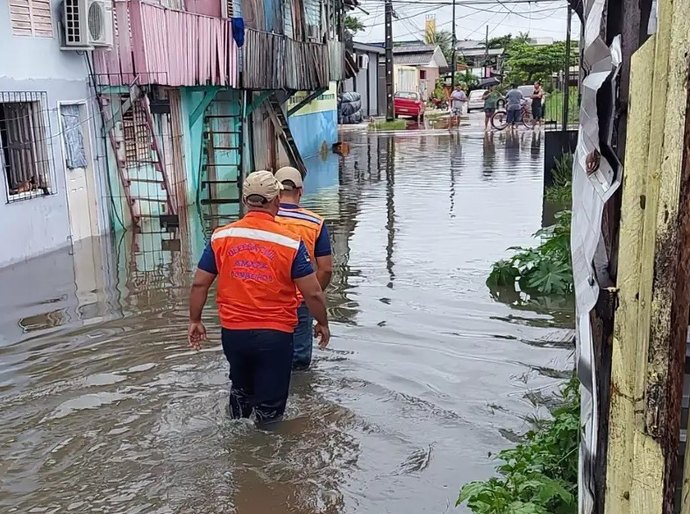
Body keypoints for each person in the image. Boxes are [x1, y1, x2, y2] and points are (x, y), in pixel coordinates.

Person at [188, 170, 331, 426]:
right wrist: (323, 322)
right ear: (276, 199)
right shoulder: (290, 243)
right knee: (270, 412)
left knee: (240, 393)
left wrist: (195, 320)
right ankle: (265, 461)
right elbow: (312, 292)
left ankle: (235, 451)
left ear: (245, 200)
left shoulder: (220, 237)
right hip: (275, 335)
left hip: (234, 334)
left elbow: (200, 283)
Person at [274, 166, 333, 370]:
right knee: (298, 363)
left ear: (275, 192)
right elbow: (325, 269)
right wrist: (311, 294)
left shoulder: (262, 222)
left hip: (265, 301)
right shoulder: (315, 224)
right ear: (301, 190)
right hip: (301, 300)